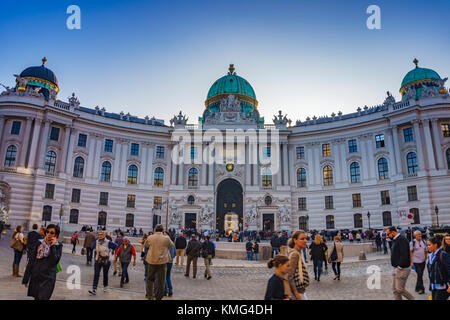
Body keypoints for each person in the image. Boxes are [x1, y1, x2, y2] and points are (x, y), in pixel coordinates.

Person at [22, 224, 63, 300]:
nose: (49, 234)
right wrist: (26, 278)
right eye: (47, 232)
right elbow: (31, 261)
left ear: (56, 235)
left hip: (48, 279)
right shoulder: (39, 243)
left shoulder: (58, 246)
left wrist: (52, 246)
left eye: (51, 233)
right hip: (36, 276)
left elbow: (54, 261)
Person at [144, 224, 174, 300]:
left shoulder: (150, 237)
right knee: (161, 281)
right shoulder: (166, 238)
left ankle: (150, 296)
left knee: (150, 279)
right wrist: (164, 235)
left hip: (151, 261)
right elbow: (171, 245)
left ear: (155, 230)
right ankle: (159, 297)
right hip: (162, 262)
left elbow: (146, 245)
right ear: (163, 230)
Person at [386, 226, 415, 300]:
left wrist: (400, 266)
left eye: (388, 234)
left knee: (399, 289)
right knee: (394, 290)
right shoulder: (395, 240)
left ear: (393, 232)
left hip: (402, 268)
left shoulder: (402, 239)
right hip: (395, 268)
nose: (387, 236)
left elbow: (404, 254)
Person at [88, 231, 118, 295]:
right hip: (97, 260)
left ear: (104, 235)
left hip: (106, 260)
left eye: (101, 234)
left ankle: (105, 287)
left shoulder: (108, 242)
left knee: (105, 274)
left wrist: (111, 251)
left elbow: (116, 246)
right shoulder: (96, 241)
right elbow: (92, 247)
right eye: (99, 234)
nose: (100, 235)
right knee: (96, 274)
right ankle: (94, 289)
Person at [287, 230, 310, 300]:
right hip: (297, 292)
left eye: (306, 238)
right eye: (302, 239)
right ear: (295, 240)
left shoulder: (298, 252)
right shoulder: (295, 254)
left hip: (300, 291)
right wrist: (296, 294)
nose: (305, 241)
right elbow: (289, 276)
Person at [426, 236, 450, 300]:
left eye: (429, 245)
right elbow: (431, 272)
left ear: (435, 245)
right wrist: (431, 286)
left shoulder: (443, 254)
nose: (427, 247)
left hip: (442, 286)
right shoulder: (430, 255)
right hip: (433, 285)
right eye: (427, 245)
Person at [410, 230, 427, 294]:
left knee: (420, 275)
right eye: (418, 235)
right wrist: (411, 262)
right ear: (415, 236)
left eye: (420, 234)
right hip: (415, 262)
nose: (420, 235)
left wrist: (426, 257)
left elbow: (425, 250)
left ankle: (417, 288)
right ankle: (421, 289)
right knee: (419, 274)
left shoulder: (424, 241)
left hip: (423, 261)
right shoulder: (412, 242)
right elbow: (410, 252)